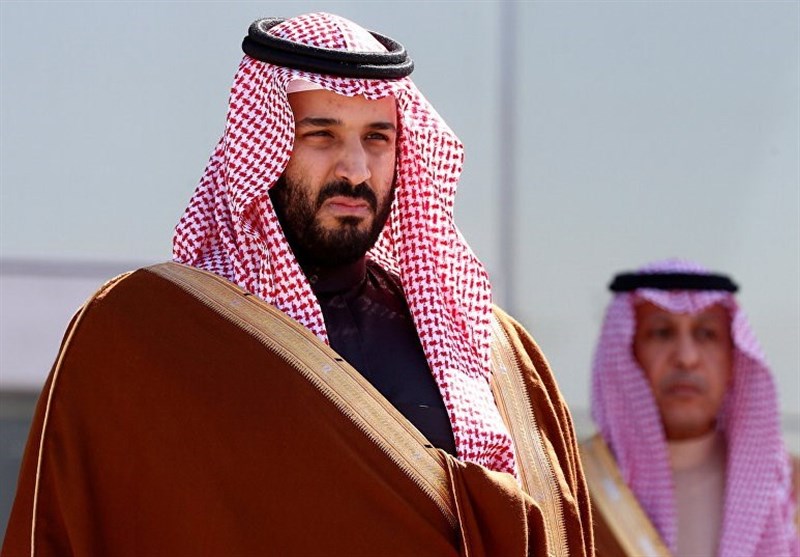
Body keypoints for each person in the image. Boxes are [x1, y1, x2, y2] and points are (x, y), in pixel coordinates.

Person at [2, 13, 592, 556]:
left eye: (377, 138)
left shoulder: (492, 352)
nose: (355, 170)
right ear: (261, 148)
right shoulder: (146, 334)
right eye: (321, 135)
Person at [581, 258, 799, 557]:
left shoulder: (792, 485)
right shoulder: (574, 483)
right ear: (626, 354)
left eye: (707, 334)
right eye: (662, 333)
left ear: (733, 359)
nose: (686, 358)